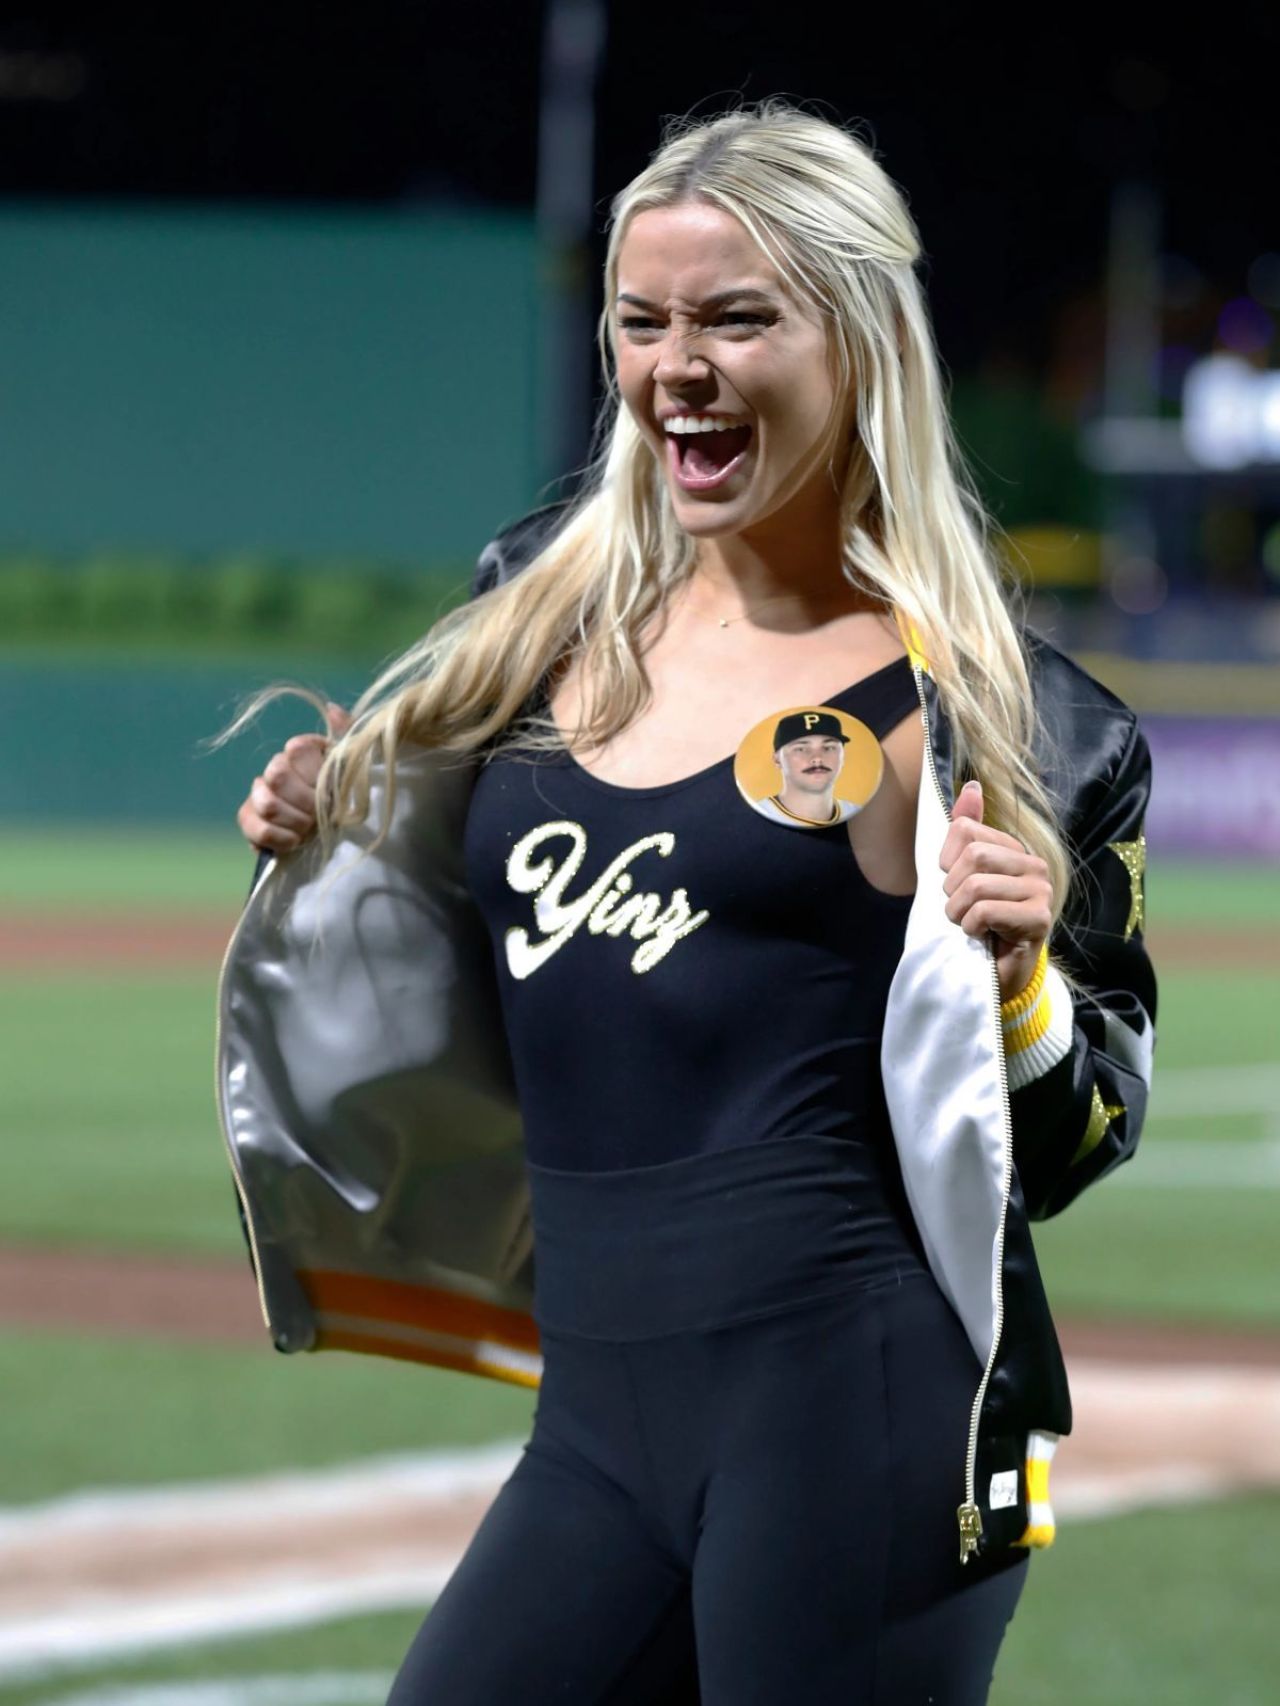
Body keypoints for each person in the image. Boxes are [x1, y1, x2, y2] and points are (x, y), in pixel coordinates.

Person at [222, 99, 1156, 1705]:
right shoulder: (539, 601)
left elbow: (1081, 1136)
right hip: (595, 1426)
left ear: (858, 342)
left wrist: (1016, 983)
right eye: (642, 322)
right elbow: (491, 961)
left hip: (863, 1428)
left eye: (738, 318)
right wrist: (337, 849)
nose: (678, 367)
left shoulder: (1014, 714)